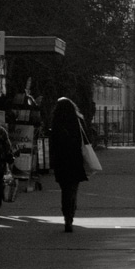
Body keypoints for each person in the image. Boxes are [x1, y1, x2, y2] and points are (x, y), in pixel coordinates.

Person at [48, 97, 88, 232]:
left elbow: (52, 144)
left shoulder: (56, 122)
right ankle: (70, 216)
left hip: (61, 160)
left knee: (65, 190)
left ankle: (66, 216)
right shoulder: (78, 121)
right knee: (73, 190)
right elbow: (87, 138)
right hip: (75, 159)